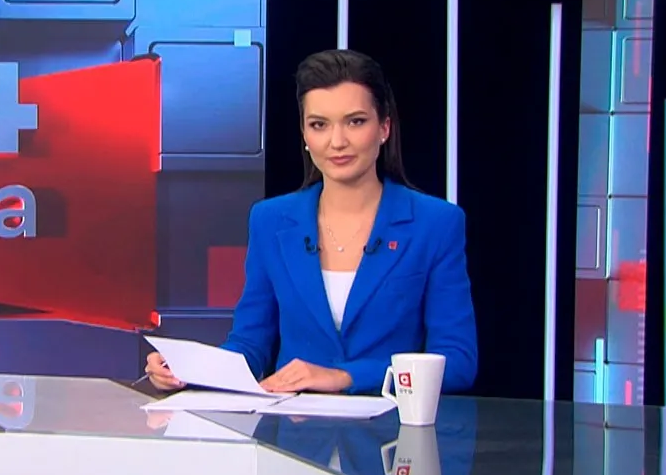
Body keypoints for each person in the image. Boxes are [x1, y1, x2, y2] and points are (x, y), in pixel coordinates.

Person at [145, 49, 478, 395]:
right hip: (292, 424)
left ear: (384, 128)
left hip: (391, 425)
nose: (337, 142)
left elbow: (457, 362)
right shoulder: (270, 221)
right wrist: (189, 370)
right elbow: (250, 345)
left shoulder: (435, 224)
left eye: (355, 122)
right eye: (319, 125)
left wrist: (345, 377)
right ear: (305, 134)